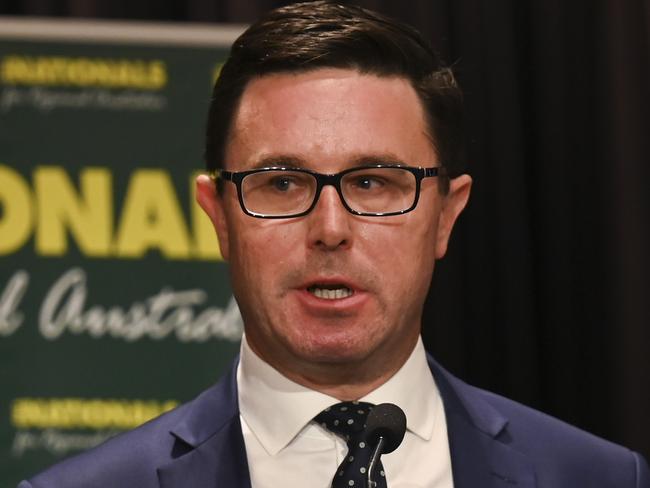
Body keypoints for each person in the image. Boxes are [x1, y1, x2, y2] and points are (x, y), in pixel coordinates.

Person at [19, 2, 649, 487]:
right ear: (219, 218)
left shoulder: (599, 477)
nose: (329, 228)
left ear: (445, 217)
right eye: (282, 182)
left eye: (373, 182)